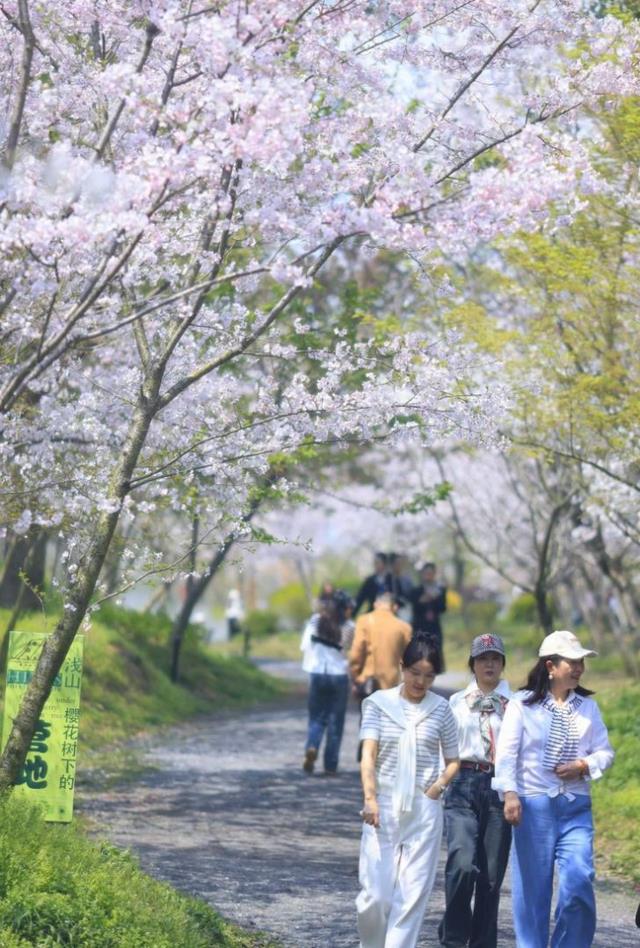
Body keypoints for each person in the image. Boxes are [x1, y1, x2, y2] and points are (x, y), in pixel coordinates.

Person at [493, 629, 615, 948]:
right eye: (572, 662)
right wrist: (509, 794)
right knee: (532, 891)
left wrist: (583, 765)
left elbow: (605, 752)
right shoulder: (522, 705)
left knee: (579, 878)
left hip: (576, 807)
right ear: (550, 666)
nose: (578, 668)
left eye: (581, 662)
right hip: (533, 808)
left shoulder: (587, 707)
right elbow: (506, 754)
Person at [356, 637, 460, 948]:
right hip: (382, 805)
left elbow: (454, 761)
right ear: (402, 667)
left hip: (424, 807)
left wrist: (436, 789)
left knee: (411, 895)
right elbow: (368, 756)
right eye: (415, 673)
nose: (421, 682)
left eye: (429, 675)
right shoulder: (378, 704)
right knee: (374, 896)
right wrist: (370, 799)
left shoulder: (441, 709)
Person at [439, 633, 512, 948]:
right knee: (463, 864)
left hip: (500, 787)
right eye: (483, 659)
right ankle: (454, 937)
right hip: (462, 784)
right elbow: (443, 746)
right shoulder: (456, 702)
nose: (489, 664)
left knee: (491, 877)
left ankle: (483, 943)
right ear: (473, 664)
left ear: (503, 663)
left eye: (495, 658)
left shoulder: (516, 705)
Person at [300, 595, 350, 775]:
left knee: (316, 717)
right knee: (336, 722)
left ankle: (312, 746)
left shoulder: (315, 621)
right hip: (339, 675)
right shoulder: (348, 626)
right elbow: (350, 651)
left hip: (318, 673)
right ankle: (330, 765)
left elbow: (304, 646)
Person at [349, 592, 412, 701]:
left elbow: (357, 651)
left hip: (368, 680)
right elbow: (410, 658)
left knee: (368, 711)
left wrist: (355, 676)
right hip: (392, 684)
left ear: (375, 604)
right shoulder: (404, 627)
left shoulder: (364, 621)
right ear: (395, 607)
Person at [410, 562, 447, 668]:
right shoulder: (416, 590)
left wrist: (435, 599)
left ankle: (435, 670)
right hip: (420, 625)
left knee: (435, 650)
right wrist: (422, 600)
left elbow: (443, 608)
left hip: (434, 625)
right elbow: (413, 608)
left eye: (431, 573)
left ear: (434, 574)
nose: (428, 576)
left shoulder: (440, 590)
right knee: (419, 651)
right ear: (422, 574)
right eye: (426, 573)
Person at [353, 552, 391, 617]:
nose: (375, 565)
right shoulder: (370, 581)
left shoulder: (392, 580)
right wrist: (352, 613)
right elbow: (360, 598)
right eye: (374, 563)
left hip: (389, 614)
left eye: (378, 562)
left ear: (384, 564)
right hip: (373, 613)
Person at [389, 553, 414, 623]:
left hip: (404, 611)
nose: (399, 566)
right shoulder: (388, 579)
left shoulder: (407, 580)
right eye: (396, 563)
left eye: (400, 563)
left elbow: (411, 595)